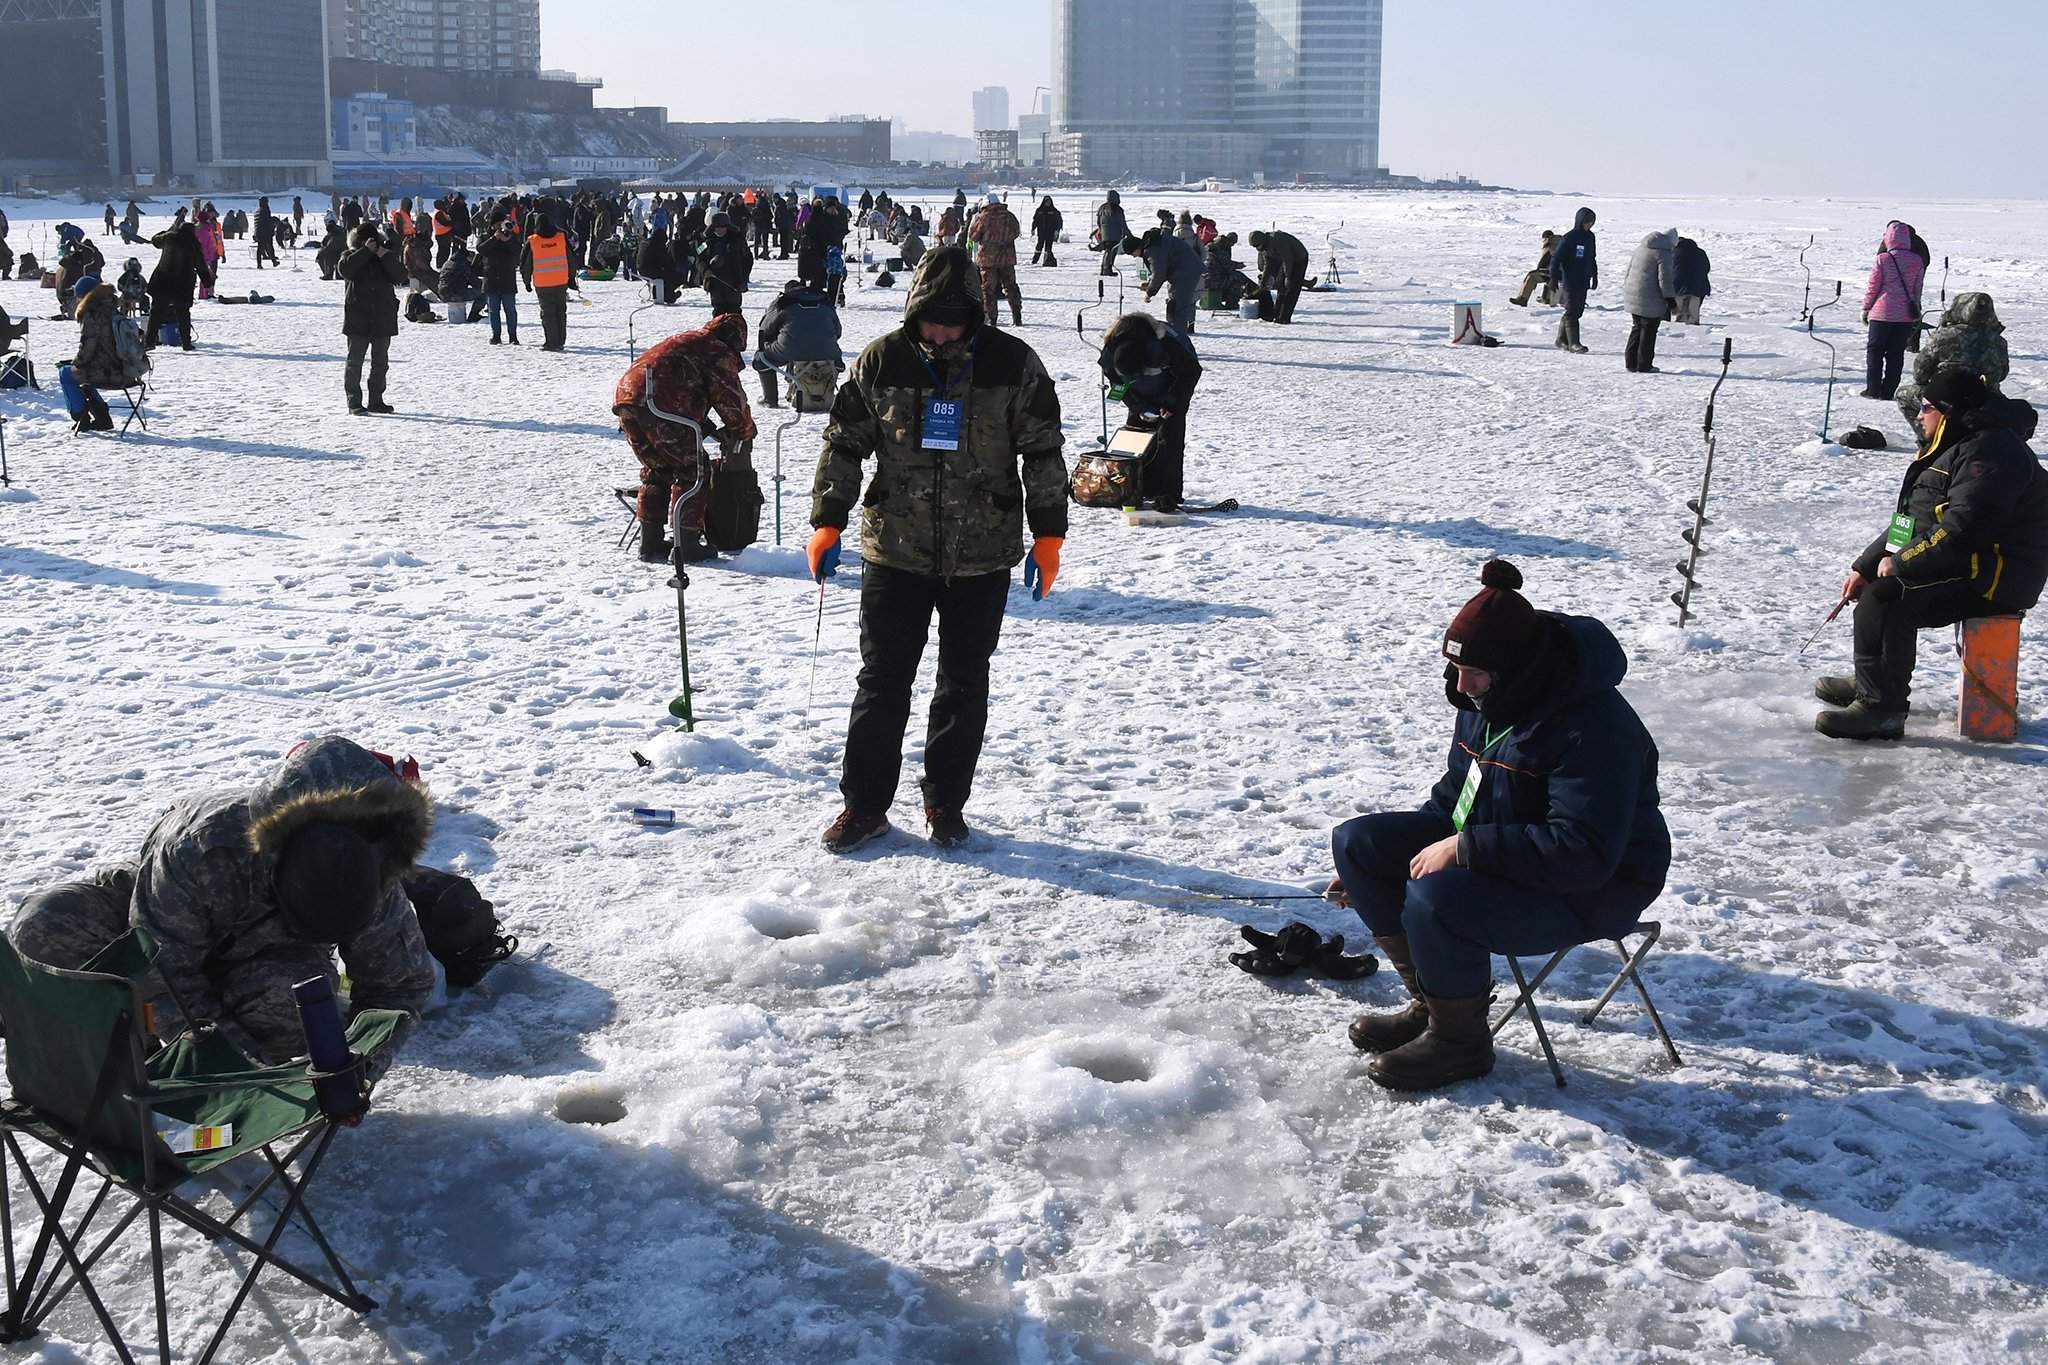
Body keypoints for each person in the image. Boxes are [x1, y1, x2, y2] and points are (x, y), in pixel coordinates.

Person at [1329, 560, 1671, 1091]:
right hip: (1513, 854)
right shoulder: (1488, 699)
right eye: (1456, 669)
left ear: (1517, 670)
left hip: (1597, 886)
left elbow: (1582, 852)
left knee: (1436, 898)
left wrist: (1467, 848)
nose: (1462, 688)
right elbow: (1458, 795)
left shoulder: (1595, 729)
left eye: (1475, 674)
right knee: (1360, 844)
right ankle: (1435, 1006)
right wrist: (1399, 860)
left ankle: (1461, 1045)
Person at [805, 246, 1068, 853]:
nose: (942, 331)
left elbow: (1042, 451)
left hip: (983, 553)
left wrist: (1049, 533)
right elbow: (844, 444)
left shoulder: (1013, 363)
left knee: (963, 682)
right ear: (914, 310)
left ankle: (946, 802)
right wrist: (828, 520)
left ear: (974, 314)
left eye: (954, 319)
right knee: (882, 681)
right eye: (932, 318)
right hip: (895, 549)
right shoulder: (883, 360)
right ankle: (865, 807)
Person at [7, 737, 435, 1075]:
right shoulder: (201, 844)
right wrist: (233, 1066)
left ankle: (200, 1039)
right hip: (152, 919)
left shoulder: (375, 871)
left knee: (297, 1011)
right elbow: (160, 968)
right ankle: (127, 1051)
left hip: (263, 956)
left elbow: (401, 987)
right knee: (41, 929)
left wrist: (360, 1064)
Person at [1814, 370, 2047, 740]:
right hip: (1968, 562)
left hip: (1996, 576)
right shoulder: (1955, 444)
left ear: (1948, 412)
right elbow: (1914, 517)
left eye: (1926, 407)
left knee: (1888, 597)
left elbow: (1967, 526)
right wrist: (1868, 564)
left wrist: (1902, 563)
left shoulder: (1990, 451)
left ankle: (1882, 710)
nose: (1919, 415)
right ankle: (1872, 681)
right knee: (1877, 585)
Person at [615, 312, 757, 565]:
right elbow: (729, 398)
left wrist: (712, 429)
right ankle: (687, 543)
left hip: (627, 399)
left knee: (657, 469)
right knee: (693, 469)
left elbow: (686, 387)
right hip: (661, 403)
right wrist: (743, 430)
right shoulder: (716, 351)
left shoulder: (689, 341)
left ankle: (651, 542)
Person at [1100, 313, 1200, 514]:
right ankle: (1132, 488)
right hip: (1139, 395)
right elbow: (1115, 380)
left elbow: (1190, 372)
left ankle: (1167, 494)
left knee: (1169, 441)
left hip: (1171, 392)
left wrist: (1173, 404)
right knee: (1134, 441)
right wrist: (1137, 406)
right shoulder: (1111, 347)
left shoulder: (1167, 344)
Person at [1894, 293, 2008, 431]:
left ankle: (1929, 438)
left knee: (1903, 395)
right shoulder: (1998, 341)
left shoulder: (1943, 336)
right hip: (1987, 399)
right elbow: (2002, 374)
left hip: (1947, 399)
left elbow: (1920, 373)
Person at [339, 223, 404, 415]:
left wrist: (384, 254)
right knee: (354, 362)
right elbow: (345, 270)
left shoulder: (384, 256)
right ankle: (354, 402)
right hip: (358, 317)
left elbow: (400, 275)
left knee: (380, 363)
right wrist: (364, 252)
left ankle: (376, 400)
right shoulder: (349, 255)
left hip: (382, 316)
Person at [1860, 220, 1927, 401]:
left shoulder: (1883, 259)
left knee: (1875, 351)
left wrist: (1866, 308)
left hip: (1881, 313)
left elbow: (1873, 287)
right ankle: (1888, 391)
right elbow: (1917, 289)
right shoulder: (1917, 261)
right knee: (1896, 354)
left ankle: (1873, 389)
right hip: (1905, 315)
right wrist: (1916, 309)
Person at [66, 282, 144, 433]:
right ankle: (102, 417)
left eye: (77, 296)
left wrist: (75, 363)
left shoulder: (92, 315)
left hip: (110, 374)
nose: (76, 300)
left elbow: (87, 348)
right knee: (82, 373)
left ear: (84, 297)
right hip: (128, 370)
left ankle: (81, 417)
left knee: (66, 374)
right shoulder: (113, 310)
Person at [752, 278, 842, 408]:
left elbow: (765, 329)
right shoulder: (824, 301)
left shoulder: (783, 302)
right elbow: (838, 331)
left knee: (761, 360)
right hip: (828, 350)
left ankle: (770, 399)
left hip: (790, 348)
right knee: (835, 361)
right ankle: (825, 390)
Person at [145, 218, 211, 351]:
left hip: (162, 281)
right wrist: (207, 282)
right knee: (183, 314)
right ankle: (186, 343)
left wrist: (169, 230)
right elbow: (201, 265)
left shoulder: (169, 237)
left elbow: (154, 240)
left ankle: (149, 342)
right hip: (182, 285)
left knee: (156, 313)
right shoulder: (193, 243)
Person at [1620, 228, 1678, 373]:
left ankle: (1631, 362)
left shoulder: (1641, 248)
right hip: (1650, 297)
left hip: (1633, 294)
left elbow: (1628, 272)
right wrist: (1671, 301)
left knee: (1637, 327)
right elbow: (1665, 281)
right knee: (1649, 330)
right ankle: (1644, 364)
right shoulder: (1663, 254)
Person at [521, 213, 578, 352]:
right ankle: (560, 340)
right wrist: (571, 278)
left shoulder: (532, 241)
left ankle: (551, 342)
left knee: (548, 313)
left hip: (542, 283)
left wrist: (526, 281)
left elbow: (525, 264)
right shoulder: (561, 238)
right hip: (561, 280)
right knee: (560, 311)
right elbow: (571, 259)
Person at [967, 193, 1024, 327]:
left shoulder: (982, 218)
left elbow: (973, 236)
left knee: (988, 290)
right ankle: (1017, 317)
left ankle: (992, 319)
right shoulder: (1009, 216)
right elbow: (1016, 232)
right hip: (1007, 258)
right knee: (1011, 287)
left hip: (988, 260)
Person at [1133, 227, 1202, 335]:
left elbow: (1159, 274)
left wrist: (1149, 292)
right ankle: (1176, 332)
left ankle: (1179, 337)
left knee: (1178, 307)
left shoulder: (1152, 250)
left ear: (1137, 247)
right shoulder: (1153, 243)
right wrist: (1150, 283)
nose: (1133, 256)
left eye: (1132, 253)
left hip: (1186, 272)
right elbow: (1163, 268)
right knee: (1174, 305)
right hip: (1183, 270)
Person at [1547, 206, 1597, 353]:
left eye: (1592, 222)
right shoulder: (1569, 237)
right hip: (1570, 279)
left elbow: (1592, 257)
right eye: (1588, 222)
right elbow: (1556, 258)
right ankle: (1574, 343)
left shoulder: (1590, 237)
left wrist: (1594, 275)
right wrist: (1553, 277)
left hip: (1583, 279)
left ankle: (1561, 339)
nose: (1589, 225)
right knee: (1572, 310)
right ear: (1580, 221)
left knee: (1578, 310)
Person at [697, 211, 754, 318]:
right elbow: (699, 258)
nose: (719, 229)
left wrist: (744, 278)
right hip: (715, 282)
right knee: (718, 313)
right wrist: (706, 271)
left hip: (733, 282)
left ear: (727, 227)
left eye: (722, 227)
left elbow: (748, 260)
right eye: (716, 227)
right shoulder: (706, 242)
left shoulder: (737, 240)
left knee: (734, 313)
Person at [1508, 230, 1558, 307]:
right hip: (1559, 271)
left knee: (1532, 277)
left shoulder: (1550, 245)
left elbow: (1543, 263)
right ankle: (1546, 298)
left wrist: (1537, 270)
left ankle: (1523, 299)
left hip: (1555, 271)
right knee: (1543, 275)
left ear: (1546, 238)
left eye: (1543, 239)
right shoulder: (1558, 243)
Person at [1672, 236, 1711, 324]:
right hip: (1698, 287)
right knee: (1693, 317)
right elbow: (1707, 268)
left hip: (1678, 287)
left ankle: (1679, 333)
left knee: (1679, 316)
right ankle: (1693, 328)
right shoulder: (1700, 252)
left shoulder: (1674, 252)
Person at [1094, 190, 1129, 276]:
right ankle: (1107, 270)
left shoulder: (1102, 208)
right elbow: (1122, 223)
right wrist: (1128, 234)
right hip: (1115, 234)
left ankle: (1104, 269)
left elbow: (1098, 221)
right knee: (1111, 252)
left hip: (1104, 234)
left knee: (1107, 251)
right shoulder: (1117, 209)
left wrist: (1101, 230)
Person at [1030, 196, 1062, 267]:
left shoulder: (1054, 211)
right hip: (1041, 232)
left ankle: (1047, 260)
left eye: (1049, 202)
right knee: (1039, 246)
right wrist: (1033, 228)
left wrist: (1057, 230)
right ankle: (1035, 260)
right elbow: (1035, 220)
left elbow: (1058, 221)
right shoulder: (1039, 210)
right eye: (1046, 202)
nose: (1048, 203)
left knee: (1048, 248)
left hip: (1050, 233)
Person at [253, 196, 279, 269]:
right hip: (265, 231)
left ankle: (261, 263)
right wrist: (274, 220)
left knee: (261, 248)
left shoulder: (257, 210)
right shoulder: (265, 209)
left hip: (259, 231)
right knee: (268, 247)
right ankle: (272, 262)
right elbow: (267, 220)